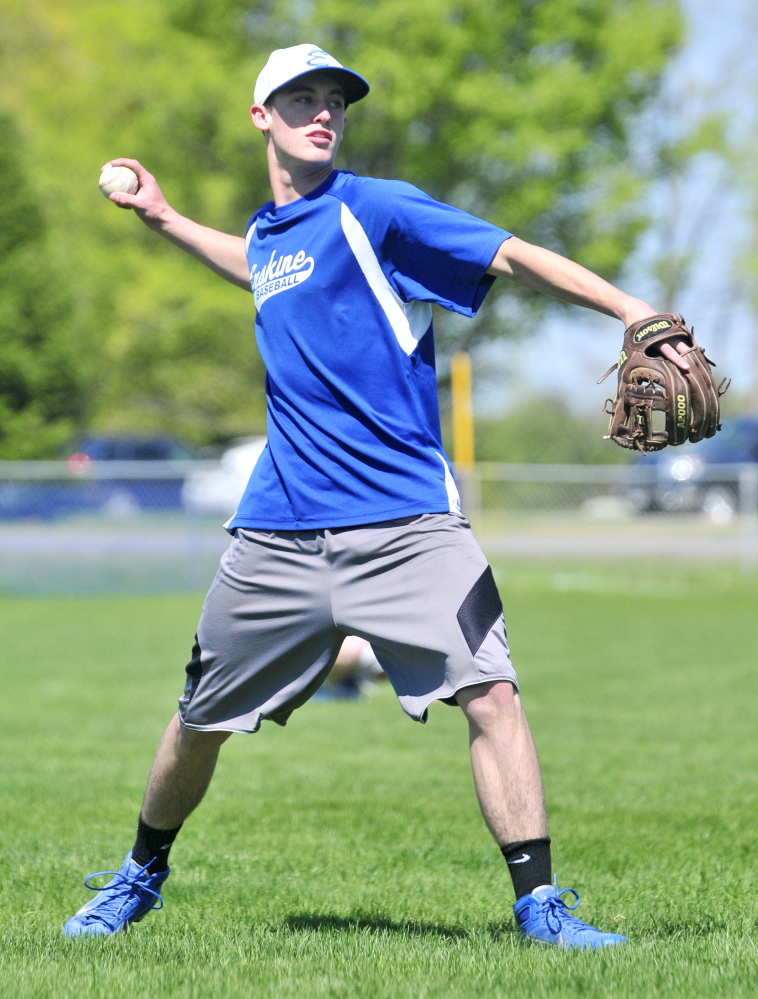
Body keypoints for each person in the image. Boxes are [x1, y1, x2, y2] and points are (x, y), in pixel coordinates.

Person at [64, 44, 690, 946]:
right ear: (261, 117)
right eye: (301, 98)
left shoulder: (377, 210)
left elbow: (510, 256)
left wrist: (631, 309)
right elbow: (254, 265)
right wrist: (162, 217)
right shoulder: (274, 237)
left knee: (492, 693)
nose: (323, 112)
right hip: (276, 532)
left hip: (407, 524)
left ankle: (541, 907)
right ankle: (137, 875)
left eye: (335, 100)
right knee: (199, 721)